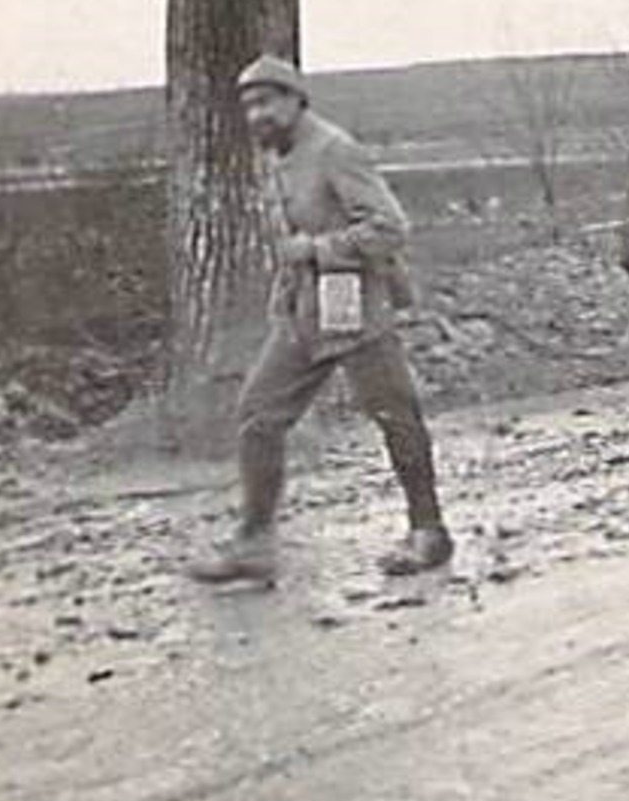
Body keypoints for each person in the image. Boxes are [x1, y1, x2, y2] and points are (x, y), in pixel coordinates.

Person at [189, 54, 454, 584]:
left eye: (266, 102)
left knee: (395, 414)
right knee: (258, 414)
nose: (256, 115)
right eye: (248, 105)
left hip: (356, 308)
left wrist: (315, 249)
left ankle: (428, 532)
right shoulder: (281, 156)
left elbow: (390, 228)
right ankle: (255, 544)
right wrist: (289, 289)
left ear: (295, 99)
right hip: (304, 314)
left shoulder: (336, 150)